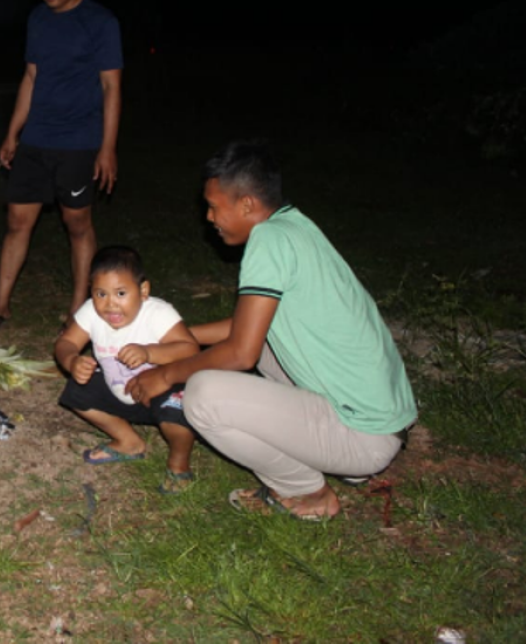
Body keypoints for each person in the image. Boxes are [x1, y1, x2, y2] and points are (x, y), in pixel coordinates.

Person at [126, 141, 417, 520]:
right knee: (263, 344)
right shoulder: (294, 227)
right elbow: (249, 325)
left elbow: (240, 352)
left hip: (364, 436)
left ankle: (308, 492)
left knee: (202, 395)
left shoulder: (267, 240)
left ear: (246, 203)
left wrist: (164, 373)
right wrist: (181, 337)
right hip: (382, 420)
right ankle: (348, 465)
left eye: (214, 207)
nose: (209, 217)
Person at [0, 0, 123, 333]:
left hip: (78, 141)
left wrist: (107, 148)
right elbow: (31, 77)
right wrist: (12, 132)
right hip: (36, 140)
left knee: (77, 223)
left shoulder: (101, 22)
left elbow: (111, 87)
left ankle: (78, 310)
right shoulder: (38, 20)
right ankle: (1, 305)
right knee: (17, 221)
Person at [55, 245, 202, 493]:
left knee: (179, 417)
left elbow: (190, 349)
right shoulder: (90, 312)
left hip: (162, 393)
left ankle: (179, 465)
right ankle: (128, 441)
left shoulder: (158, 313)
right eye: (100, 294)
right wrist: (71, 361)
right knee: (76, 391)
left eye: (121, 293)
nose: (110, 305)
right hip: (119, 389)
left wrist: (149, 352)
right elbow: (66, 343)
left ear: (143, 290)